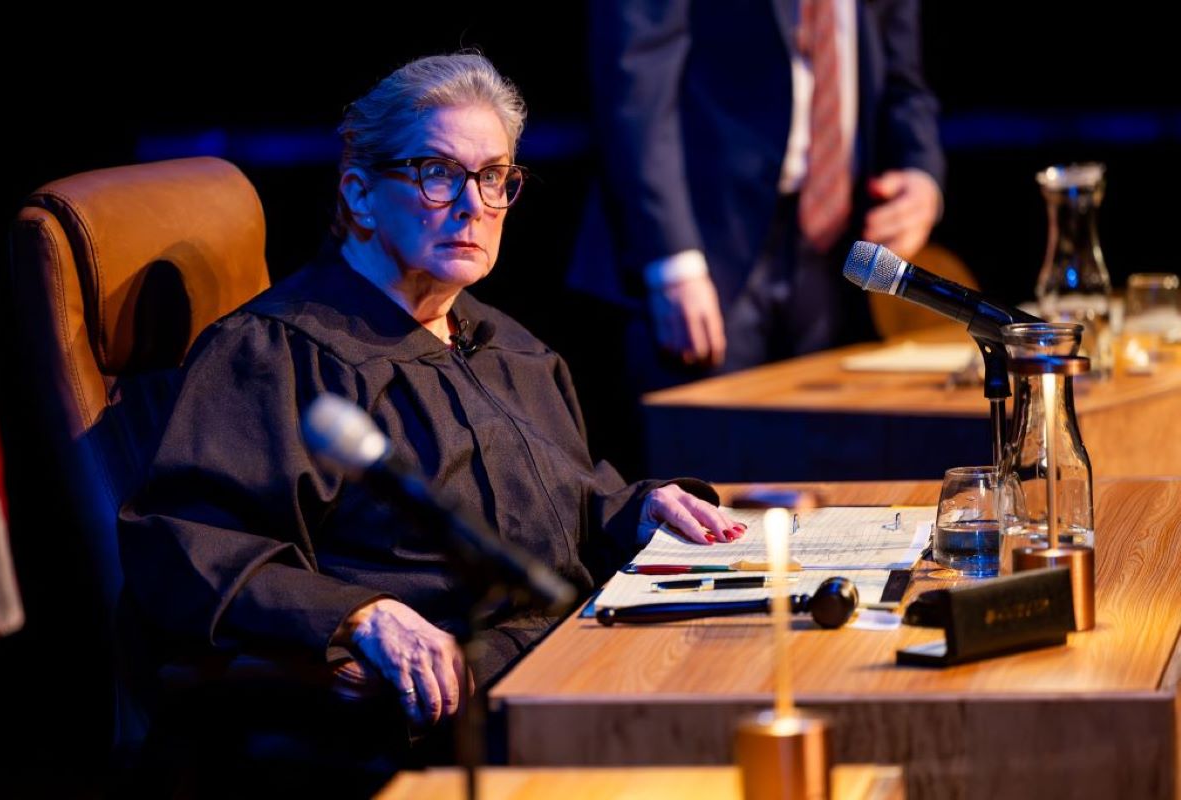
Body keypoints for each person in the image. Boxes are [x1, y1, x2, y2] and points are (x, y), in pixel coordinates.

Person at [118, 52, 739, 743]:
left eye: (495, 176)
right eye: (438, 173)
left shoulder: (513, 349)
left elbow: (562, 504)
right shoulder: (271, 357)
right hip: (439, 717)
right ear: (358, 193)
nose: (475, 205)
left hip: (579, 664)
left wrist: (641, 507)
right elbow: (184, 548)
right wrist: (359, 615)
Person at [567, 0, 945, 472]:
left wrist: (922, 174)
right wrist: (671, 260)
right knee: (709, 495)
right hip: (704, 244)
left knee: (836, 489)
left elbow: (903, 79)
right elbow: (635, 76)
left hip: (833, 247)